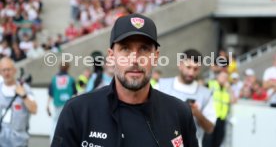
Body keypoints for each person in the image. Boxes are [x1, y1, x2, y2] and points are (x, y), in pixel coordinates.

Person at [51, 13, 199, 147]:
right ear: (111, 56)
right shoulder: (78, 111)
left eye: (144, 49)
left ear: (156, 57)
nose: (134, 59)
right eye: (125, 49)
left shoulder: (179, 112)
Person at [158, 49, 216, 146]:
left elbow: (210, 128)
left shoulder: (205, 94)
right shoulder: (161, 86)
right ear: (180, 65)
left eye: (195, 69)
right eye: (188, 67)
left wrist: (197, 113)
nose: (191, 73)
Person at [0, 57, 37, 147]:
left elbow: (34, 109)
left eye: (9, 69)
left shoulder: (25, 88)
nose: (6, 73)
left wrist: (24, 96)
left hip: (19, 142)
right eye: (3, 70)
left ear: (14, 70)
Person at [46, 62, 77, 142]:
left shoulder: (54, 79)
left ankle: (53, 141)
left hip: (57, 104)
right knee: (68, 123)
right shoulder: (71, 79)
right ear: (68, 68)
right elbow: (75, 94)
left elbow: (50, 93)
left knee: (55, 122)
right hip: (68, 104)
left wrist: (47, 106)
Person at [203, 70, 233, 147]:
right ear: (217, 77)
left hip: (222, 119)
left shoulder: (227, 89)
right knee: (208, 141)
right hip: (211, 118)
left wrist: (229, 89)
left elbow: (233, 101)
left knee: (218, 141)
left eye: (226, 77)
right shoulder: (211, 84)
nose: (224, 79)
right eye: (223, 77)